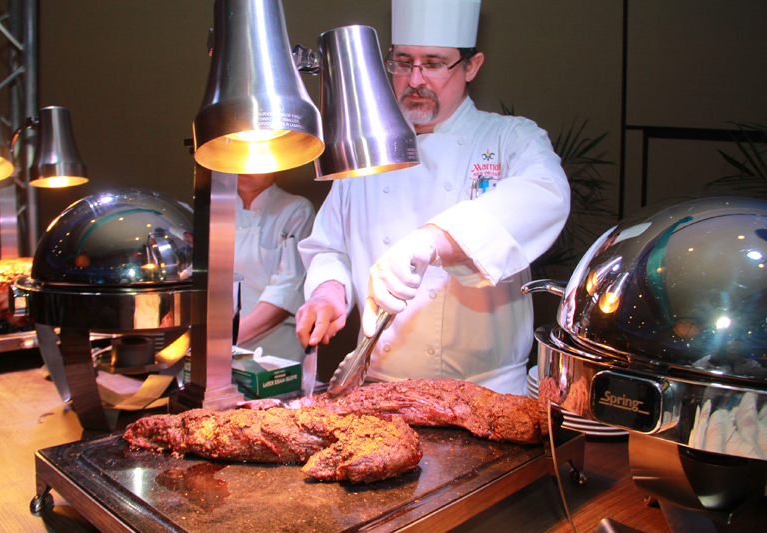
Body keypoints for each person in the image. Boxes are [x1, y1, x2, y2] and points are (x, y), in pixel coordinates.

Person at [295, 0, 570, 394]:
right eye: (403, 62)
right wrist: (328, 292)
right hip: (379, 390)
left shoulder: (510, 138)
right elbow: (330, 247)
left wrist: (431, 241)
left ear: (471, 66)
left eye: (434, 63)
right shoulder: (368, 148)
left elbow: (547, 193)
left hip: (484, 394)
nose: (415, 79)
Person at [235, 172, 315, 362]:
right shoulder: (219, 209)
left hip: (277, 352)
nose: (244, 169)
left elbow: (288, 287)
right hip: (224, 350)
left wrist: (227, 339)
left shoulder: (296, 208)